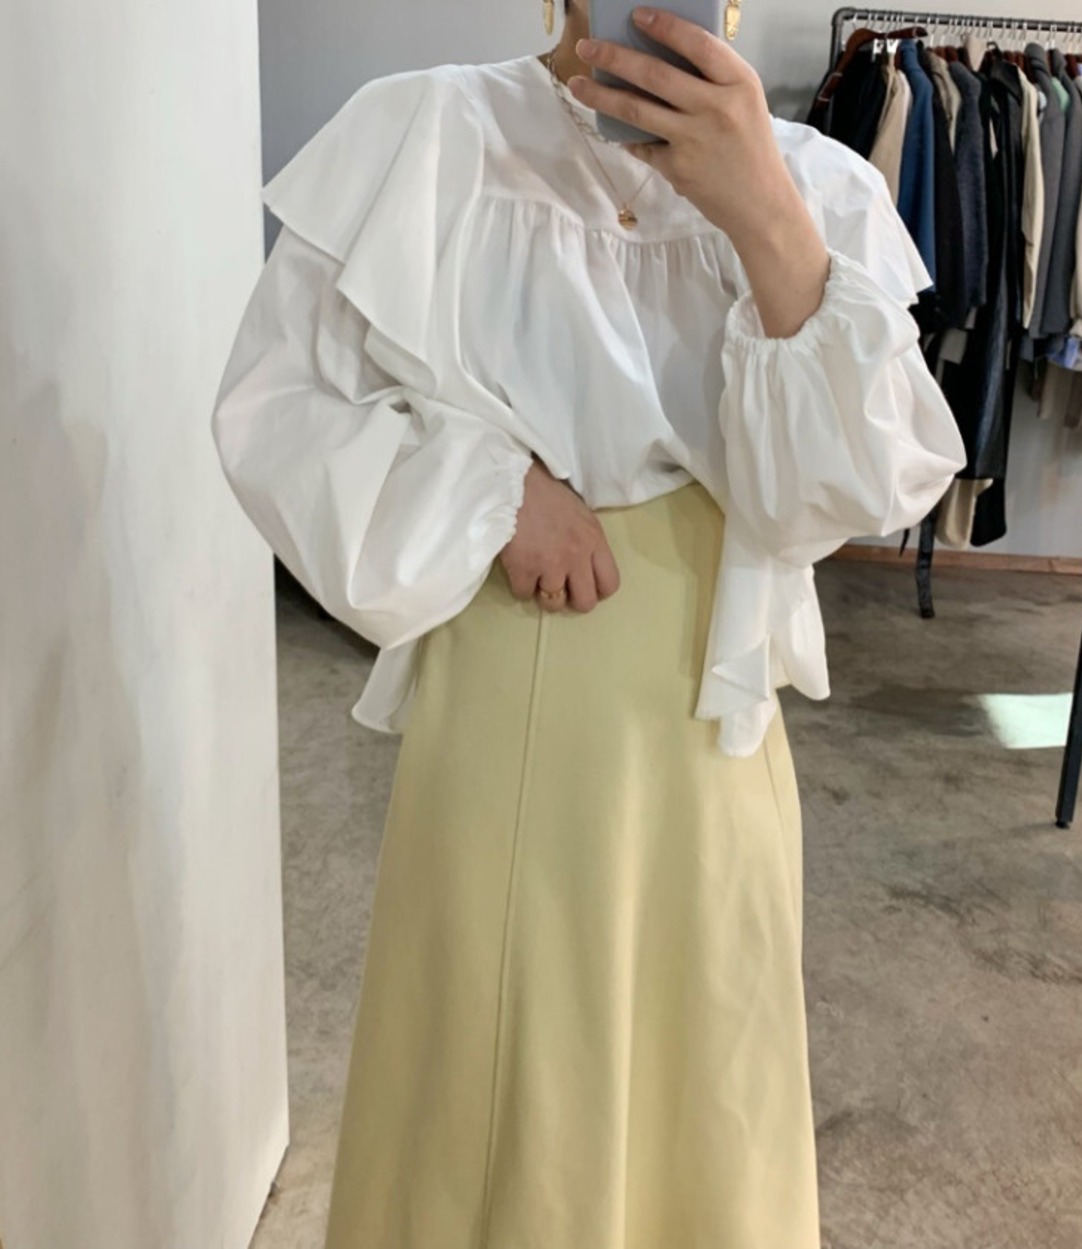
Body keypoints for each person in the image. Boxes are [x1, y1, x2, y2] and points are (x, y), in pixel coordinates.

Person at [210, 2, 966, 1245]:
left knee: (707, 1080)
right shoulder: (430, 134)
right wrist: (491, 490)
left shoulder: (815, 185)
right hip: (509, 682)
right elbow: (279, 409)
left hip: (716, 713)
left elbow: (859, 488)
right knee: (501, 1090)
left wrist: (763, 213)